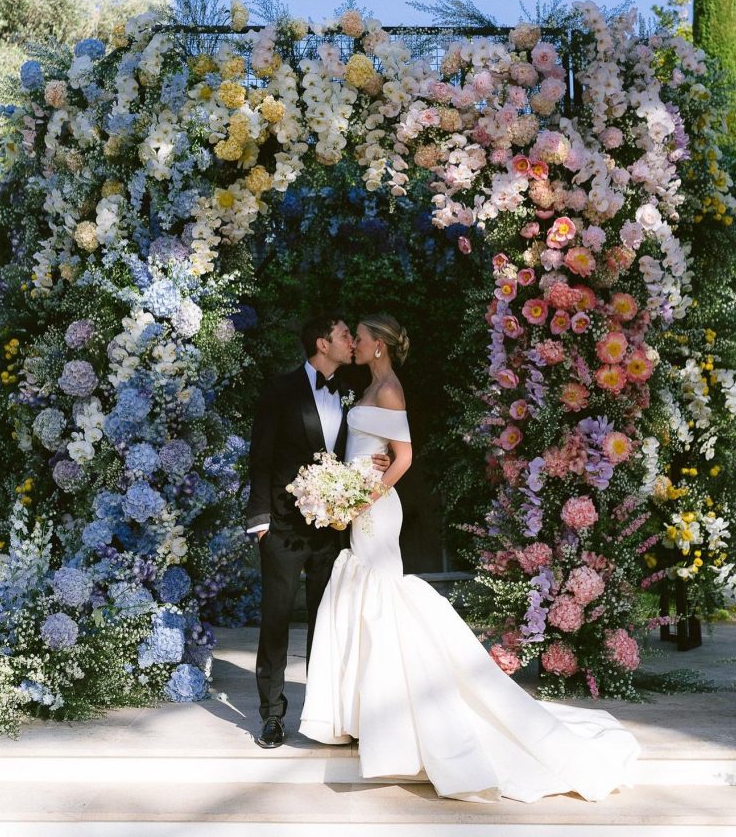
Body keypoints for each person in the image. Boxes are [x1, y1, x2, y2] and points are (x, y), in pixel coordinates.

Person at [299, 312, 640, 803]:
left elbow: (404, 457)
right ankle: (363, 715)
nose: (353, 342)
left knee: (381, 598)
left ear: (379, 346)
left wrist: (364, 495)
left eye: (362, 337)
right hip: (358, 502)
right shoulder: (370, 385)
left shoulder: (390, 388)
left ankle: (398, 718)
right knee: (363, 598)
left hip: (374, 508)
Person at [246, 312, 389, 749]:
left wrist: (374, 462)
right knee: (276, 620)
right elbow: (261, 458)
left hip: (332, 529)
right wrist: (260, 521)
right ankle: (271, 716)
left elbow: (357, 449)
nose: (352, 341)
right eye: (345, 335)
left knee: (328, 623)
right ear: (322, 344)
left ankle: (322, 713)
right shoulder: (280, 391)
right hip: (284, 529)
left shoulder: (353, 393)